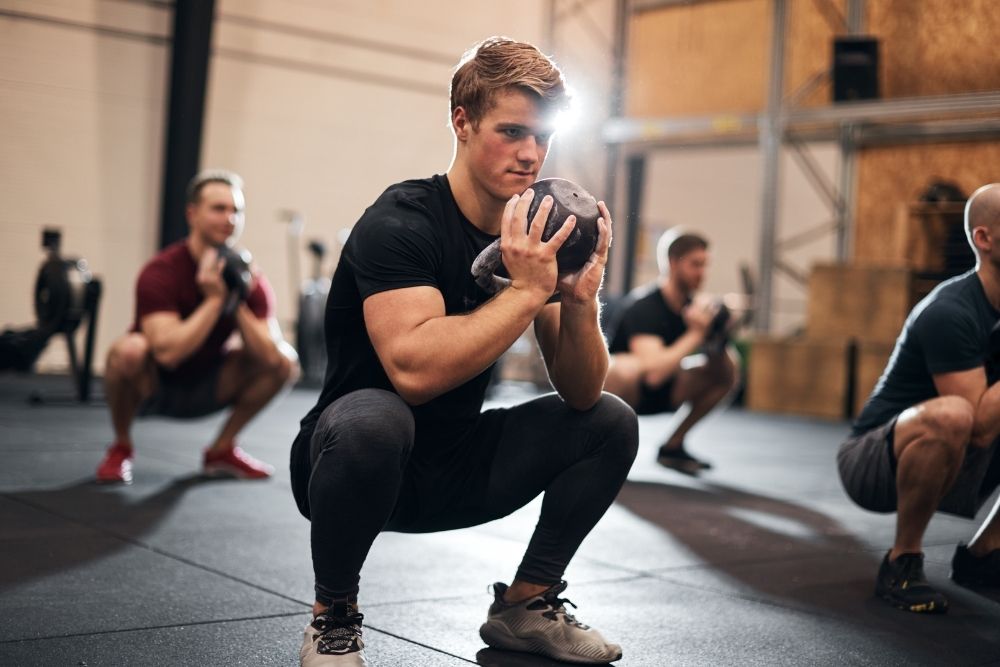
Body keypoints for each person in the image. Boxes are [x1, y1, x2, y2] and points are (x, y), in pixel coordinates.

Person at [290, 37, 638, 666]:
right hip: (350, 466)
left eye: (544, 137)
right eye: (512, 132)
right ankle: (333, 616)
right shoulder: (402, 221)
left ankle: (526, 606)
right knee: (376, 416)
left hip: (455, 468)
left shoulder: (531, 236)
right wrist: (530, 291)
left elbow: (581, 392)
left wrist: (581, 302)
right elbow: (414, 372)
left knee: (610, 420)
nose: (531, 154)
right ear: (462, 121)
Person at [837, 182, 1000, 614]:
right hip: (875, 460)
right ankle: (902, 562)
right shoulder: (951, 310)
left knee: (958, 417)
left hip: (959, 453)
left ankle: (984, 555)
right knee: (953, 414)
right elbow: (980, 427)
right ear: (984, 239)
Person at [95, 169, 298, 484]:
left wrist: (236, 298)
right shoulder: (161, 271)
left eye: (237, 211)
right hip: (154, 386)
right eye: (219, 208)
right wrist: (214, 302)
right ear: (192, 213)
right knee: (128, 350)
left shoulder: (248, 277)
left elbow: (272, 360)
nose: (230, 218)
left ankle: (221, 449)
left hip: (211, 383)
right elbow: (167, 354)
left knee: (286, 361)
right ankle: (121, 447)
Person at [603, 228, 739, 474]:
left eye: (705, 265)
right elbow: (653, 375)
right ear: (673, 263)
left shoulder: (693, 309)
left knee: (729, 369)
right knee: (626, 368)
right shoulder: (643, 306)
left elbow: (723, 373)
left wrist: (717, 333)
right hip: (623, 397)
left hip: (667, 390)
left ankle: (672, 446)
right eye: (695, 265)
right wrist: (696, 334)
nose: (702, 273)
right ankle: (601, 446)